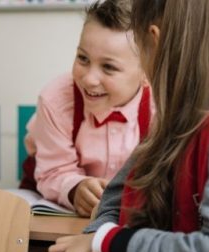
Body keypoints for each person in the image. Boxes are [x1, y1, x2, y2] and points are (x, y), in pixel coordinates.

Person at [48, 0, 209, 252]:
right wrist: (98, 242)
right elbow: (114, 201)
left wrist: (109, 242)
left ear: (153, 41)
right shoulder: (173, 124)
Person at [20, 0, 153, 217]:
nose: (89, 79)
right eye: (83, 58)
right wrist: (75, 189)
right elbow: (53, 171)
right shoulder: (56, 100)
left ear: (147, 72)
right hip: (55, 199)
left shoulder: (163, 107)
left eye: (108, 67)